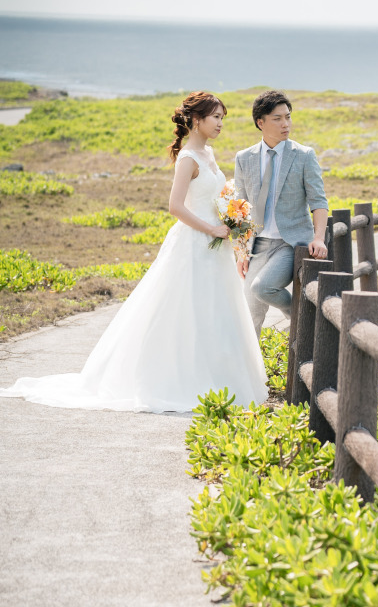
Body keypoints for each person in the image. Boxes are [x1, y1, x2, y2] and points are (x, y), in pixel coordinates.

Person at [0, 92, 267, 413]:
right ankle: (176, 379)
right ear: (197, 120)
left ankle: (220, 379)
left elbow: (215, 196)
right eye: (216, 118)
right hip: (194, 243)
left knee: (216, 311)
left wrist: (230, 219)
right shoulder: (188, 158)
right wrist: (211, 229)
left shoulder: (208, 153)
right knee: (185, 310)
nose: (221, 124)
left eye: (223, 118)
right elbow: (175, 206)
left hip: (217, 245)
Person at [234, 90, 328, 335]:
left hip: (290, 243)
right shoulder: (244, 158)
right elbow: (241, 208)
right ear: (260, 122)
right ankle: (251, 373)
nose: (285, 124)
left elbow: (318, 200)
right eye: (277, 118)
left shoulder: (304, 155)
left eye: (288, 117)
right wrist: (242, 250)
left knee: (262, 288)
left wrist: (318, 238)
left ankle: (302, 318)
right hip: (258, 245)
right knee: (250, 316)